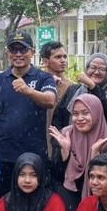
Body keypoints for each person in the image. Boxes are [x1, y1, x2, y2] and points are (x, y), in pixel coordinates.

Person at [0, 31, 58, 201]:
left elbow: (50, 100)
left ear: (32, 52)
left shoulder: (44, 78)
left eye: (23, 50)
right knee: (4, 202)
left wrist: (28, 91)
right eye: (14, 50)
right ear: (7, 52)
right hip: (4, 155)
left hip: (34, 156)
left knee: (34, 203)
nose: (18, 54)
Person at [48, 93, 107, 211]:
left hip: (100, 201)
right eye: (75, 114)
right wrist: (65, 152)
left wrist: (95, 155)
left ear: (96, 113)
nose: (80, 118)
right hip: (68, 198)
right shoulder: (67, 134)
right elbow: (57, 176)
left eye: (85, 113)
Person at [41, 41, 76, 188]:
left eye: (65, 56)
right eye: (58, 57)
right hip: (39, 141)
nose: (63, 60)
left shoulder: (72, 86)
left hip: (61, 144)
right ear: (45, 61)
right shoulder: (37, 82)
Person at [70, 52, 107, 125]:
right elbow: (62, 115)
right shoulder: (75, 89)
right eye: (93, 67)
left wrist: (93, 86)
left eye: (102, 69)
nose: (96, 72)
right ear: (87, 68)